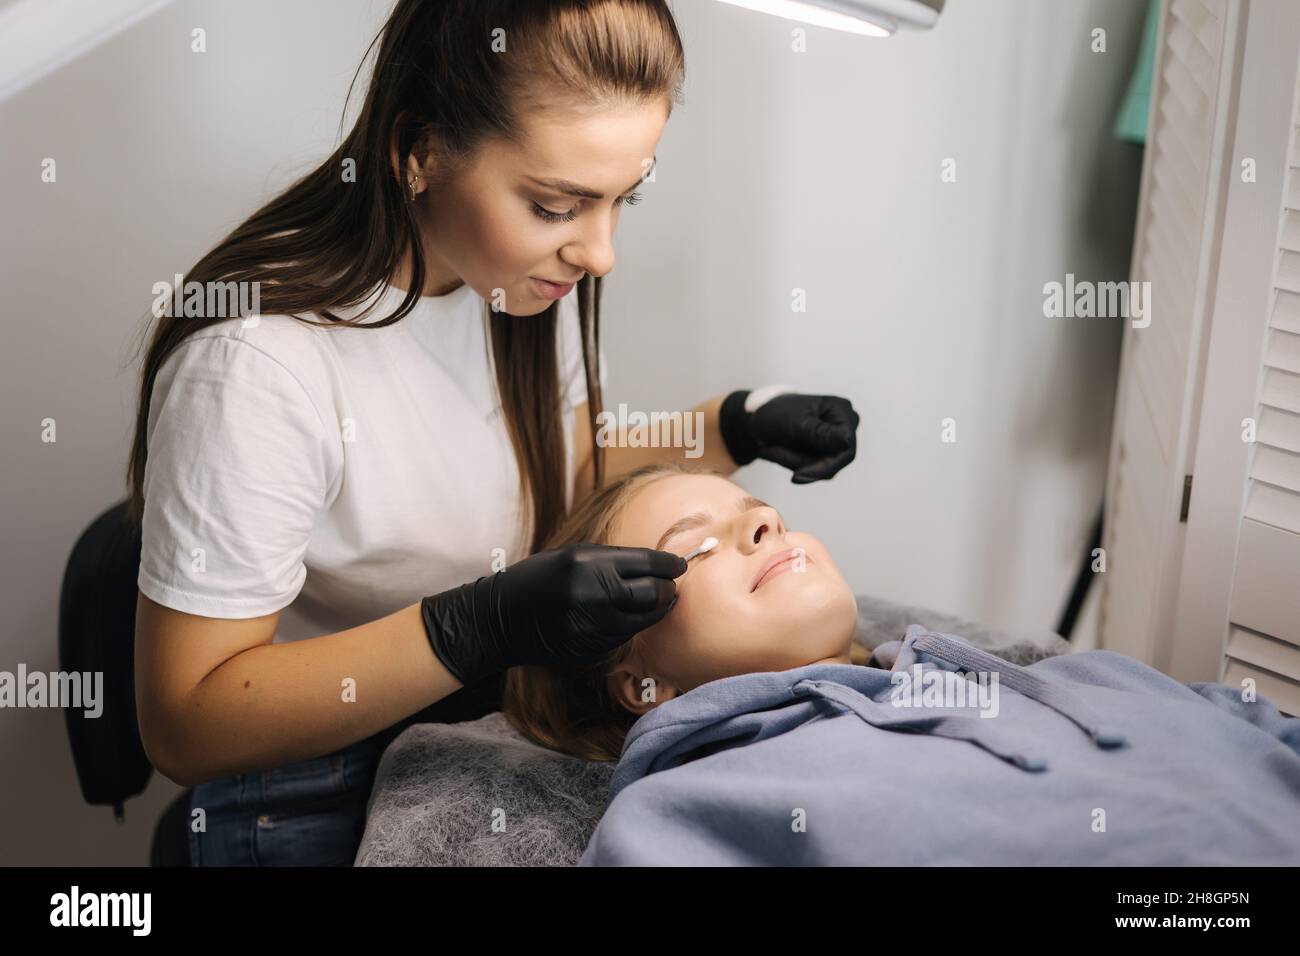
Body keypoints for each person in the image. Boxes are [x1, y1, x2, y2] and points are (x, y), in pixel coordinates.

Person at [127, 0, 859, 866]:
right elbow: (186, 722)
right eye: (558, 205)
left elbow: (558, 466)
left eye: (625, 197)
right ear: (421, 154)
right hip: (303, 782)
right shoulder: (259, 367)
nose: (600, 252)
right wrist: (470, 629)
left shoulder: (507, 277)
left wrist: (731, 423)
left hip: (468, 725)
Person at [503, 460, 869, 761]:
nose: (767, 521)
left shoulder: (922, 672)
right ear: (645, 685)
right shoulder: (708, 803)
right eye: (702, 547)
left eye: (768, 515)